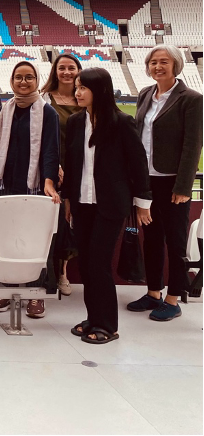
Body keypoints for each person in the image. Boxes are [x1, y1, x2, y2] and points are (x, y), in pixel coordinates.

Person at [64, 68, 151, 344]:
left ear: (99, 90)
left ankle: (108, 325)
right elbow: (73, 162)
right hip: (82, 204)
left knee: (99, 263)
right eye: (76, 88)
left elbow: (138, 163)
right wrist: (68, 199)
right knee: (88, 263)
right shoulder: (78, 121)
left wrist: (143, 203)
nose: (77, 92)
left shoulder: (121, 122)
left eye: (83, 88)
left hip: (110, 204)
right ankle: (93, 317)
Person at [128, 45, 203, 321]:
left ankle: (173, 298)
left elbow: (192, 146)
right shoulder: (146, 94)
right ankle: (153, 292)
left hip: (173, 184)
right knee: (152, 239)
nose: (158, 66)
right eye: (153, 62)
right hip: (147, 181)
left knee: (174, 241)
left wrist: (184, 187)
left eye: (164, 62)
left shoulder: (191, 99)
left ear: (176, 65)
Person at [0, 61, 61, 318]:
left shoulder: (47, 113)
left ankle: (37, 293)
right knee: (7, 236)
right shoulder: (5, 109)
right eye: (18, 77)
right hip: (5, 184)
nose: (23, 82)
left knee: (35, 238)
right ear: (12, 81)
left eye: (29, 77)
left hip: (34, 185)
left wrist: (49, 181)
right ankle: (7, 288)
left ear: (37, 80)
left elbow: (51, 150)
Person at [41, 52, 82, 296]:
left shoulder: (85, 97)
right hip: (53, 166)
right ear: (55, 72)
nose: (67, 72)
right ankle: (48, 271)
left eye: (71, 68)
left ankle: (64, 270)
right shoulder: (45, 99)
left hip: (80, 167)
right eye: (62, 68)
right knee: (51, 219)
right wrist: (53, 165)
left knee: (71, 219)